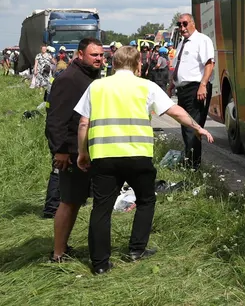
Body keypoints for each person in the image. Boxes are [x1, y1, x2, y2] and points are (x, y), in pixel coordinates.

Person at [74, 45, 213, 274]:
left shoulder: (96, 87)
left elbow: (83, 123)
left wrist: (82, 152)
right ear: (138, 64)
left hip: (104, 157)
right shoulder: (147, 86)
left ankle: (100, 264)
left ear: (114, 64)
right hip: (138, 156)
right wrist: (197, 128)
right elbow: (175, 110)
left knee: (101, 208)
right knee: (146, 200)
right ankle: (136, 250)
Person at [43, 38, 105, 257]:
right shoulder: (69, 79)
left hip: (86, 149)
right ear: (80, 54)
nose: (99, 59)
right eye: (94, 55)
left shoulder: (90, 76)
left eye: (101, 55)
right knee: (69, 202)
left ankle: (64, 248)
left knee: (76, 201)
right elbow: (55, 119)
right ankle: (58, 254)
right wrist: (59, 150)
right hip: (70, 151)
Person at [169, 14, 215, 168]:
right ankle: (189, 161)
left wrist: (203, 85)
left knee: (192, 127)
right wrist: (171, 85)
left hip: (196, 89)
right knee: (185, 125)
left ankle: (192, 167)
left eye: (185, 24)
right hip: (183, 90)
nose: (182, 28)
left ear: (193, 23)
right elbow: (179, 66)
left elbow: (209, 64)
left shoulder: (202, 40)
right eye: (179, 25)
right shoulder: (182, 43)